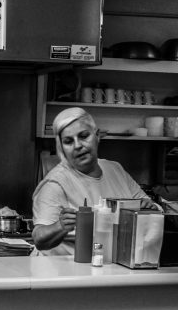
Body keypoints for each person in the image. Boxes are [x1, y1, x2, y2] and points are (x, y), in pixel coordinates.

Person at [32, 106, 158, 255]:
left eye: (84, 136)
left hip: (111, 263)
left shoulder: (115, 169)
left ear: (97, 136)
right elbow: (39, 238)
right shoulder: (55, 183)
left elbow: (147, 204)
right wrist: (60, 226)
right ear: (62, 148)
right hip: (65, 267)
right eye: (68, 141)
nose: (78, 146)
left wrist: (149, 207)